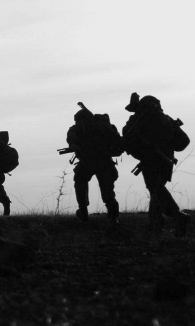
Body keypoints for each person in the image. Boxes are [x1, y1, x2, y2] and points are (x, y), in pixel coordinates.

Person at [122, 93, 190, 236]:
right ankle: (156, 224)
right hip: (166, 161)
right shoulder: (166, 119)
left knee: (156, 189)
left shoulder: (141, 120)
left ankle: (178, 216)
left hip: (152, 160)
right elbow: (183, 142)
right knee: (156, 190)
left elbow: (126, 137)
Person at [65, 104, 124, 223]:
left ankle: (84, 212)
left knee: (82, 183)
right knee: (107, 190)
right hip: (103, 162)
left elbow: (71, 139)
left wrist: (74, 146)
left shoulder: (79, 128)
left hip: (91, 161)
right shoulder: (103, 127)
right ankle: (112, 216)